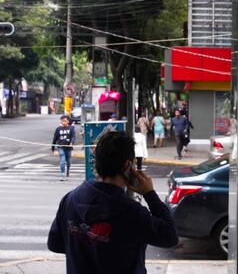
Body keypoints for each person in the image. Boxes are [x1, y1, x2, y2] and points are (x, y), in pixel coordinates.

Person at [47, 131, 178, 274]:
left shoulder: (70, 199)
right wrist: (150, 194)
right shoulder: (133, 213)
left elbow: (55, 244)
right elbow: (170, 236)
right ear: (127, 166)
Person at [51, 115, 76, 181]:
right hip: (60, 147)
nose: (63, 122)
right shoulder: (58, 129)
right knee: (62, 160)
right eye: (62, 121)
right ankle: (62, 174)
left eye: (65, 121)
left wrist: (71, 143)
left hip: (68, 147)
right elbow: (54, 138)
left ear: (68, 121)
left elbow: (73, 137)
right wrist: (52, 148)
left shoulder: (71, 128)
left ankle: (67, 170)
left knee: (68, 161)